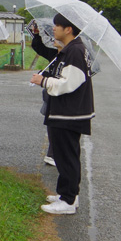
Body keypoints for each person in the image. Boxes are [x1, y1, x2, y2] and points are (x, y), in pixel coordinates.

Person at [30, 13, 95, 215]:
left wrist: (43, 82)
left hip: (69, 114)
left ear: (68, 29)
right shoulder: (69, 50)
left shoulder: (75, 51)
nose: (54, 29)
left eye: (57, 26)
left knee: (66, 157)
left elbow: (69, 83)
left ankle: (67, 201)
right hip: (66, 113)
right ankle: (68, 194)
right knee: (65, 155)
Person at [30, 22, 60, 166]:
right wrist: (36, 35)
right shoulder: (55, 53)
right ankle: (53, 153)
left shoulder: (71, 55)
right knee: (51, 123)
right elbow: (39, 47)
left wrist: (45, 78)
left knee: (57, 124)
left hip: (59, 96)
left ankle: (54, 154)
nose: (53, 35)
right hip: (50, 94)